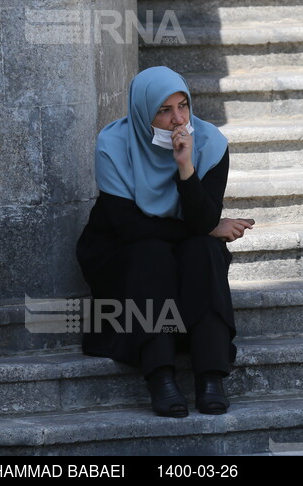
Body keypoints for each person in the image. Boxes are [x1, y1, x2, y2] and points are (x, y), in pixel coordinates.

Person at [75, 66, 254, 417]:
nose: (178, 119)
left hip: (181, 247)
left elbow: (202, 223)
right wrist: (207, 228)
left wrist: (185, 167)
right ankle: (160, 376)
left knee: (204, 250)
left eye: (183, 106)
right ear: (143, 111)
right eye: (164, 110)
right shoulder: (113, 145)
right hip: (123, 250)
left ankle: (211, 378)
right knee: (151, 254)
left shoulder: (211, 144)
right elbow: (129, 227)